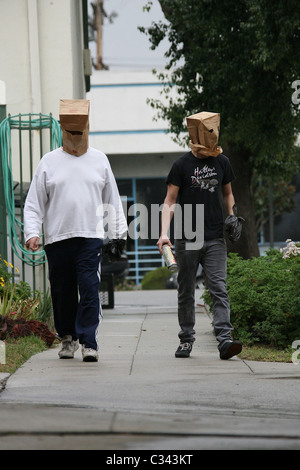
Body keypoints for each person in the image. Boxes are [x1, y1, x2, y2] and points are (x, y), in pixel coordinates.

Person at [24, 99, 127, 362]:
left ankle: (89, 342)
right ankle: (67, 337)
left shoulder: (99, 160)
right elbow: (34, 203)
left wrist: (118, 235)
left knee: (90, 289)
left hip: (90, 238)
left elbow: (112, 200)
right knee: (62, 291)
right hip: (58, 238)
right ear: (62, 130)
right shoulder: (48, 162)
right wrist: (32, 232)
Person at [157, 111, 243, 360]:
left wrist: (232, 215)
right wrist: (164, 233)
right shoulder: (181, 165)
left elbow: (228, 194)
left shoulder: (222, 162)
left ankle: (225, 339)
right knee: (186, 290)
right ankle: (186, 340)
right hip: (187, 237)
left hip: (216, 236)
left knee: (218, 287)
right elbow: (169, 201)